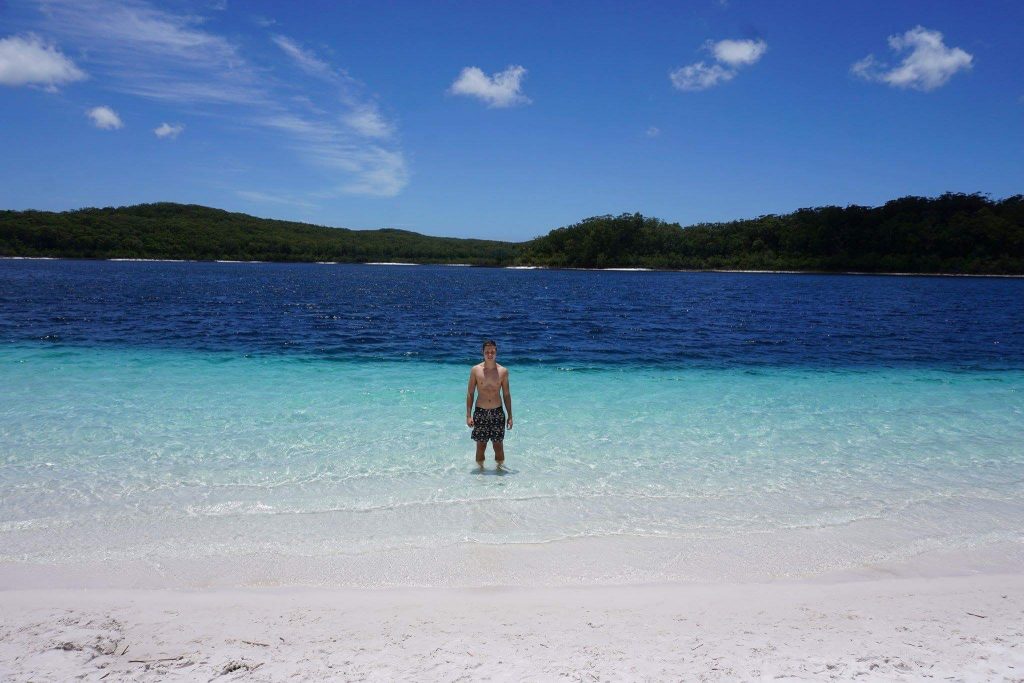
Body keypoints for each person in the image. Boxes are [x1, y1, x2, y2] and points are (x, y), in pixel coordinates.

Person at [466, 339, 513, 470]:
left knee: (498, 445)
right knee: (481, 445)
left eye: (492, 351)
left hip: (497, 412)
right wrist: (468, 415)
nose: (490, 354)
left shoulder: (503, 371)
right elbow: (470, 393)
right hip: (480, 412)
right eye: (487, 352)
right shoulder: (476, 370)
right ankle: (480, 473)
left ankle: (500, 471)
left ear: (496, 352)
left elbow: (507, 395)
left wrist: (510, 416)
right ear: (483, 353)